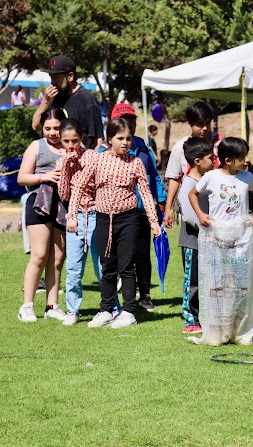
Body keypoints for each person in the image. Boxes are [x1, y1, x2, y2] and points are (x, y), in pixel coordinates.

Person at [68, 118, 161, 329]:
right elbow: (79, 186)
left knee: (127, 267)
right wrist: (72, 215)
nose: (125, 142)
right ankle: (106, 310)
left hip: (129, 219)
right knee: (107, 266)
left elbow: (145, 194)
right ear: (109, 139)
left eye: (128, 138)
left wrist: (153, 221)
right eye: (120, 138)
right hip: (102, 218)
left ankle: (128, 311)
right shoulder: (98, 160)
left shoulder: (135, 162)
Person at [188, 137, 253, 345]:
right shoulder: (211, 177)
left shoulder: (247, 177)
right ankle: (217, 330)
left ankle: (237, 331)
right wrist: (201, 215)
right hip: (216, 240)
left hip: (241, 241)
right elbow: (192, 194)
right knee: (217, 283)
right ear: (228, 160)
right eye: (243, 157)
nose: (247, 160)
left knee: (240, 284)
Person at [106, 103, 167, 313]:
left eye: (132, 119)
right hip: (118, 211)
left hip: (142, 209)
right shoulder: (105, 150)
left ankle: (145, 295)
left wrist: (161, 198)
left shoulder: (142, 145)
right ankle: (116, 298)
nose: (129, 123)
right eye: (124, 118)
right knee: (121, 256)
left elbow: (153, 175)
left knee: (142, 254)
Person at [16, 108, 67, 323]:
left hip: (63, 205)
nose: (53, 133)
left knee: (57, 258)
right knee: (39, 255)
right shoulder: (37, 146)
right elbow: (22, 178)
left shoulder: (71, 146)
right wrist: (44, 177)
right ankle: (26, 306)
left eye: (57, 128)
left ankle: (52, 305)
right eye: (48, 128)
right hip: (39, 203)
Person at [56, 118, 101, 326]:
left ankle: (111, 306)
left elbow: (87, 188)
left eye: (75, 140)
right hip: (74, 219)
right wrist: (65, 168)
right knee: (73, 267)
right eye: (66, 141)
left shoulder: (92, 156)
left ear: (81, 138)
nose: (71, 145)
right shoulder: (61, 161)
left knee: (102, 265)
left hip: (94, 214)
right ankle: (72, 309)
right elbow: (64, 194)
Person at [163, 101, 221, 228]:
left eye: (207, 123)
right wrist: (168, 208)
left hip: (219, 204)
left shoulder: (221, 144)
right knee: (191, 244)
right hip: (192, 206)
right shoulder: (180, 147)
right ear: (189, 123)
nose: (205, 128)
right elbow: (175, 178)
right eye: (200, 124)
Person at [177, 137, 214, 334]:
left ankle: (205, 316)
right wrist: (207, 227)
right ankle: (190, 317)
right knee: (193, 281)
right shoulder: (188, 184)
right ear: (198, 161)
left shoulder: (207, 180)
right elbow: (190, 216)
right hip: (193, 241)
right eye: (210, 157)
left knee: (207, 280)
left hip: (209, 241)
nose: (214, 160)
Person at [32, 55, 104, 149]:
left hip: (81, 160)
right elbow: (36, 126)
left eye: (56, 77)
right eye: (51, 77)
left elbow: (98, 140)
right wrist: (45, 101)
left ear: (70, 76)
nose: (52, 82)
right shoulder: (55, 97)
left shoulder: (87, 100)